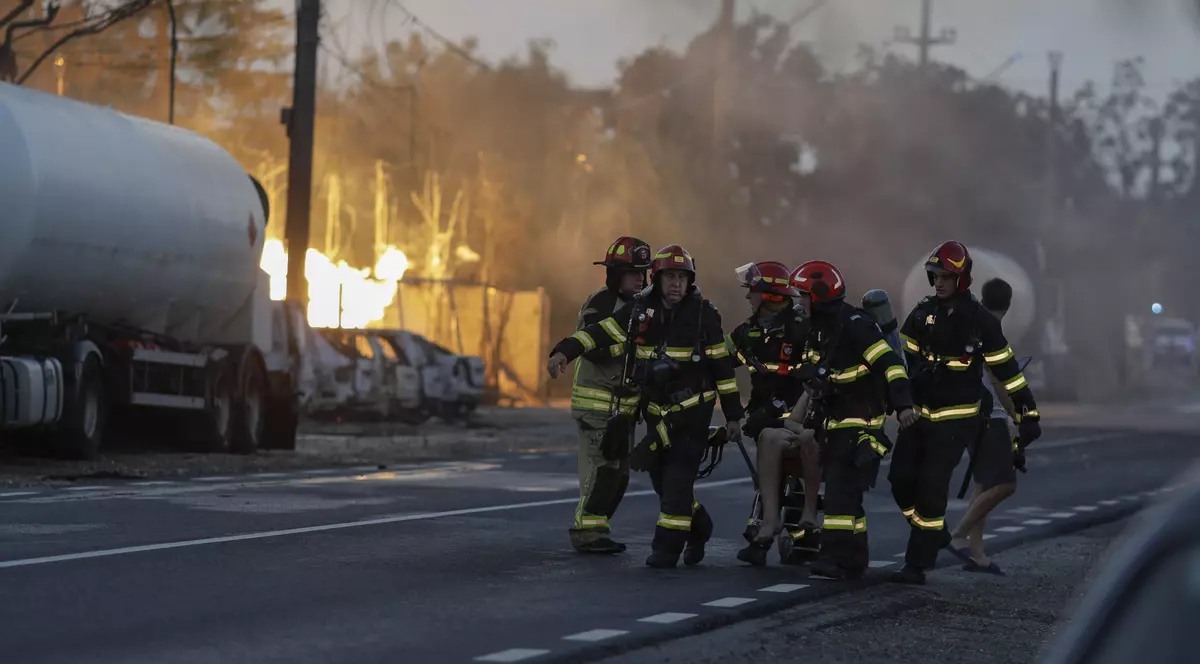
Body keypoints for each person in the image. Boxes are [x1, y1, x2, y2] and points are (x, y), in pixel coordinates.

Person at [547, 244, 744, 569]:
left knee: (678, 479)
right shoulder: (640, 310)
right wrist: (563, 352)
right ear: (658, 277)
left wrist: (734, 416)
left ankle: (666, 550)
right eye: (670, 277)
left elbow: (722, 368)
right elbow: (600, 332)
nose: (676, 284)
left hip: (693, 414)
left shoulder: (704, 315)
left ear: (690, 281)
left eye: (683, 277)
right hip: (656, 414)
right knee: (661, 479)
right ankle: (699, 526)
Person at [890, 241, 1042, 585]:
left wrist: (1028, 413)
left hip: (956, 420)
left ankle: (917, 564)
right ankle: (933, 532)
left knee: (932, 487)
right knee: (899, 481)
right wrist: (901, 403)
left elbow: (1007, 372)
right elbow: (900, 363)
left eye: (946, 276)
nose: (940, 282)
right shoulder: (922, 312)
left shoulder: (982, 322)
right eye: (936, 276)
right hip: (917, 415)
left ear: (962, 278)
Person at [779, 260, 917, 581]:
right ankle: (853, 558)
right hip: (836, 423)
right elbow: (818, 372)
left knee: (841, 492)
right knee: (847, 496)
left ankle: (836, 557)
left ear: (820, 296)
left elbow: (891, 365)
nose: (799, 303)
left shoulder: (856, 325)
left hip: (861, 426)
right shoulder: (819, 331)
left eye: (803, 296)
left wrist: (904, 405)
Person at [723, 261, 823, 566]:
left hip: (800, 415)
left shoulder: (802, 327)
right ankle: (768, 526)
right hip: (764, 415)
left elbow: (811, 380)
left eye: (752, 291)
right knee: (771, 466)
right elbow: (719, 360)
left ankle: (790, 529)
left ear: (770, 294)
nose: (747, 297)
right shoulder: (749, 330)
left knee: (788, 467)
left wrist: (771, 411)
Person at [566, 236, 653, 554]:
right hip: (597, 404)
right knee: (600, 470)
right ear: (615, 274)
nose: (640, 279)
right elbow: (594, 348)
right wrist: (630, 345)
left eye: (643, 273)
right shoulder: (601, 303)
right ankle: (586, 532)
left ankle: (598, 529)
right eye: (632, 273)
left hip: (625, 408)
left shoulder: (643, 308)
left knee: (618, 475)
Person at [945, 278, 1020, 574]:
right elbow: (1001, 380)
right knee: (1005, 484)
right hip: (989, 415)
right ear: (1009, 303)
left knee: (985, 483)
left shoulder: (971, 323)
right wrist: (1017, 414)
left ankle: (977, 554)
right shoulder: (992, 329)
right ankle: (959, 535)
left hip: (966, 411)